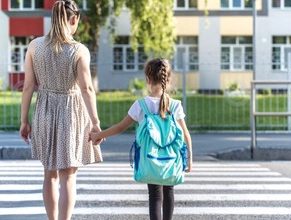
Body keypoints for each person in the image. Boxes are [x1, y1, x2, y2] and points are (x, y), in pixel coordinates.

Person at [19, 1, 103, 219]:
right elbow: (86, 88)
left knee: (49, 173)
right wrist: (95, 122)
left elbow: (28, 86)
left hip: (44, 111)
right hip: (71, 113)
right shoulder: (78, 50)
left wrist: (23, 121)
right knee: (68, 175)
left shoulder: (35, 46)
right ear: (73, 19)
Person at [90, 58, 193, 220]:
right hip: (172, 158)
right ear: (169, 79)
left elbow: (120, 127)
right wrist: (189, 160)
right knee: (169, 191)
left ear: (147, 79)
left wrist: (98, 136)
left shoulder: (140, 105)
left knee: (154, 195)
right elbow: (186, 134)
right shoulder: (175, 105)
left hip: (149, 159)